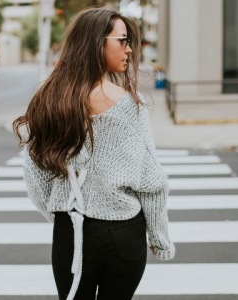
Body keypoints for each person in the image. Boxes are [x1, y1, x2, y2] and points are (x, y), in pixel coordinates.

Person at [12, 7, 175, 300]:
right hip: (122, 232)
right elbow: (152, 181)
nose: (129, 50)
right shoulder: (127, 105)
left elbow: (35, 173)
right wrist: (159, 238)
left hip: (70, 232)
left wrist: (61, 216)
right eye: (122, 41)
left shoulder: (50, 99)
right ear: (97, 43)